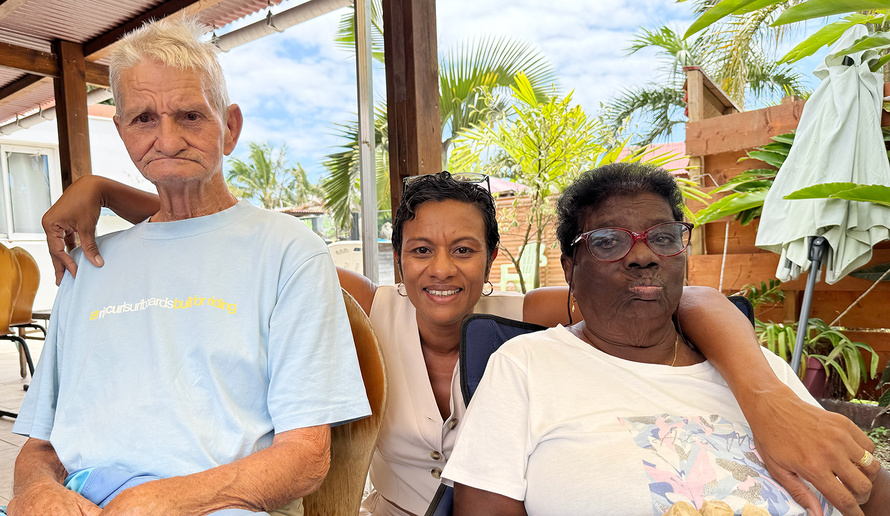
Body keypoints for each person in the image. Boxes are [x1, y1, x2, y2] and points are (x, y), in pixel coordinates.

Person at [44, 170, 881, 516]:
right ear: (397, 260)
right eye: (420, 250)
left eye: (464, 249)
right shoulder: (373, 310)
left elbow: (679, 292)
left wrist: (766, 394)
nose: (441, 271)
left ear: (491, 258)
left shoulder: (527, 315)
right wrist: (104, 191)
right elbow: (232, 241)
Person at [7, 17, 371, 516]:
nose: (168, 138)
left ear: (230, 127)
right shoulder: (89, 263)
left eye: (191, 116)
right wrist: (36, 493)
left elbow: (306, 457)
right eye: (143, 119)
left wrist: (155, 502)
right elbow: (40, 445)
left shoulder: (287, 250)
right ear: (122, 132)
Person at [441, 163, 889, 515]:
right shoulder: (525, 366)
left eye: (663, 237)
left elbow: (868, 488)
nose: (642, 255)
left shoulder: (758, 371)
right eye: (609, 241)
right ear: (570, 269)